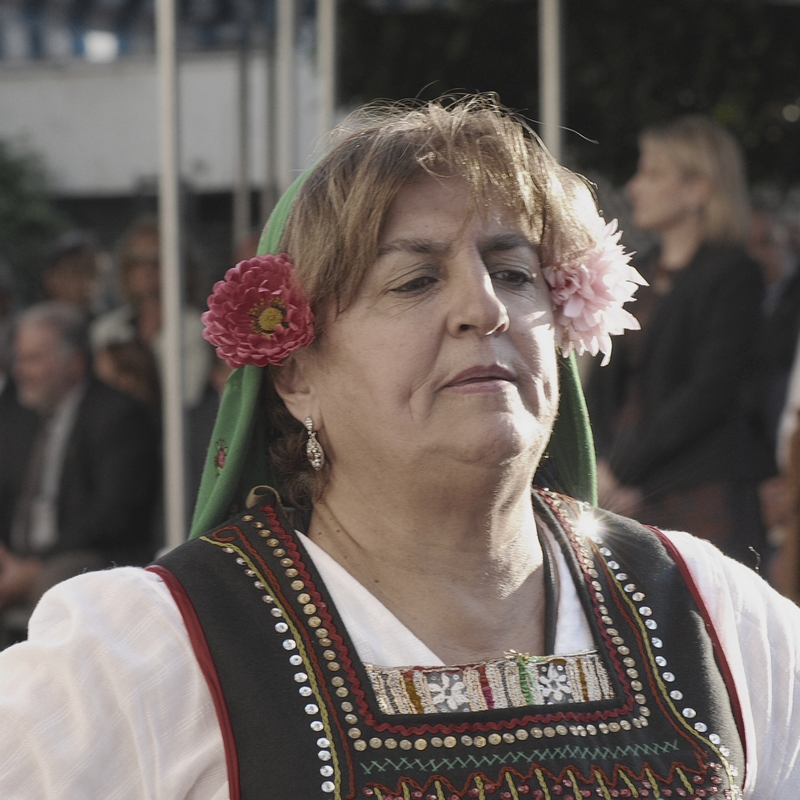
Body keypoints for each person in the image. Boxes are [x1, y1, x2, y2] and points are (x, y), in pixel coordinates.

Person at [0, 97, 798, 798]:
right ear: (295, 375)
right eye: (415, 281)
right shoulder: (153, 658)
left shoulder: (711, 616)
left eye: (514, 272)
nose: (485, 308)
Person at [588, 115, 774, 566]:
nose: (633, 187)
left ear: (697, 190)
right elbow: (603, 380)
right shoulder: (638, 272)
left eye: (652, 174)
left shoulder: (735, 275)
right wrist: (600, 468)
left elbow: (710, 393)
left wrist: (624, 470)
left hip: (699, 492)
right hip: (622, 489)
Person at [0, 302, 161, 625]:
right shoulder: (18, 417)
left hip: (90, 556)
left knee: (58, 585)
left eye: (33, 359)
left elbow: (113, 514)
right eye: (19, 359)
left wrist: (33, 567)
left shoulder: (117, 416)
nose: (19, 370)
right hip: (19, 557)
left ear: (73, 363)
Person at [90, 215, 213, 408]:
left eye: (158, 260)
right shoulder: (106, 329)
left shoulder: (197, 329)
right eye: (137, 261)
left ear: (182, 265)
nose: (147, 270)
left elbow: (189, 397)